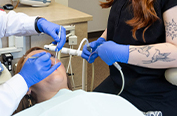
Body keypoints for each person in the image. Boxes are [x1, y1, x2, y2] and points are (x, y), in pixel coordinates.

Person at [13, 47, 145, 116]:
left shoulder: (112, 101)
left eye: (52, 56)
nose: (49, 60)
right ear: (27, 87)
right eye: (37, 60)